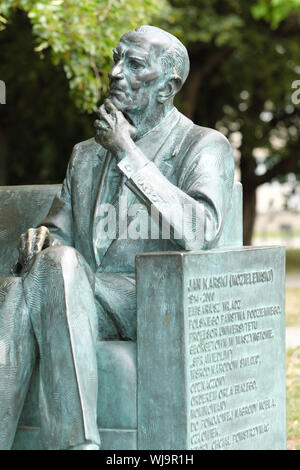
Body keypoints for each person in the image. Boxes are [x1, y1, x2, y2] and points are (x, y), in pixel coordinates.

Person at [0, 25, 234, 450]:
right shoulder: (85, 154)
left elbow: (202, 231)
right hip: (78, 287)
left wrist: (129, 153)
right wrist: (42, 238)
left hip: (150, 298)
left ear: (169, 86)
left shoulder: (203, 146)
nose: (116, 72)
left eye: (135, 64)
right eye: (115, 58)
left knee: (52, 274)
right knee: (15, 290)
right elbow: (60, 233)